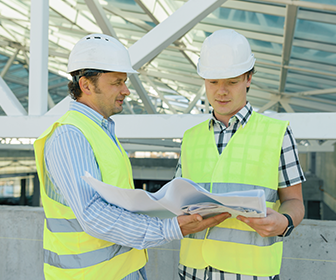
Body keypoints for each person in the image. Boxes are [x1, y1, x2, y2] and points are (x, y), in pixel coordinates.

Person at [34, 33, 230, 280]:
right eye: (117, 82)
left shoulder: (100, 131)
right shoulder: (70, 136)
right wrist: (170, 228)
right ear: (85, 85)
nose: (126, 91)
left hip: (123, 270)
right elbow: (93, 214)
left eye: (124, 82)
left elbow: (119, 202)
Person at [175, 29, 305, 280]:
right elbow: (177, 199)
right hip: (192, 271)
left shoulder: (278, 133)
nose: (221, 91)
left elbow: (295, 201)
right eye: (213, 82)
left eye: (231, 82)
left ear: (248, 78)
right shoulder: (191, 137)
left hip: (251, 274)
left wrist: (285, 222)